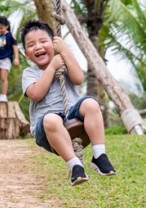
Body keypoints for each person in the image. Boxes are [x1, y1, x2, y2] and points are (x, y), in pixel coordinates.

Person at [20, 20, 116, 186]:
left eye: (43, 41)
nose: (38, 47)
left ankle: (99, 155)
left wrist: (64, 51)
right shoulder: (30, 73)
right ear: (26, 54)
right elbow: (36, 94)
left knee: (91, 104)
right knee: (52, 118)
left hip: (72, 118)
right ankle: (75, 166)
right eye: (31, 44)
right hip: (47, 129)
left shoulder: (63, 62)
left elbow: (78, 78)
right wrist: (51, 68)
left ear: (54, 44)